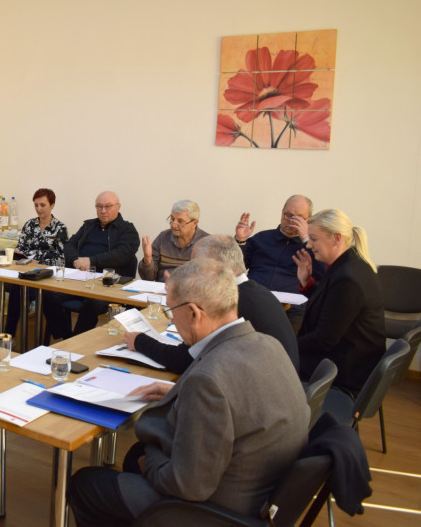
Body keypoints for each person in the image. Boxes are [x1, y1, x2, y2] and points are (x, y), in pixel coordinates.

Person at [68, 258, 309, 526]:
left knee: (87, 484)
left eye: (171, 311)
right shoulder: (268, 344)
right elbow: (239, 400)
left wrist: (152, 455)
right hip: (259, 489)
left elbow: (186, 486)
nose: (172, 319)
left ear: (194, 313)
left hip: (216, 510)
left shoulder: (208, 381)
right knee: (136, 455)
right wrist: (181, 394)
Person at [125, 234, 298, 373]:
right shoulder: (256, 291)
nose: (192, 271)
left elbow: (186, 360)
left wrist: (140, 341)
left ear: (215, 268)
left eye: (195, 266)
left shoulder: (231, 301)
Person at [293, 209, 385, 395]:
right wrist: (307, 283)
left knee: (272, 361)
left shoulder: (348, 277)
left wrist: (288, 344)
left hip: (345, 370)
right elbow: (333, 305)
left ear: (336, 238)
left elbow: (324, 340)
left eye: (313, 239)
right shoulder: (350, 263)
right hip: (346, 358)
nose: (309, 245)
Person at [43, 191, 139, 339]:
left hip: (107, 284)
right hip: (80, 279)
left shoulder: (127, 230)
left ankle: (76, 342)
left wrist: (91, 261)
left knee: (93, 302)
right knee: (48, 293)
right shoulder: (88, 226)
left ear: (118, 207)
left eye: (108, 206)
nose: (103, 211)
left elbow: (122, 254)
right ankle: (66, 338)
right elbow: (69, 245)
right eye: (99, 206)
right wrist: (76, 261)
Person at [4, 188, 69, 338]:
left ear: (52, 205)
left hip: (47, 275)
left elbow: (60, 258)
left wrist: (37, 260)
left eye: (43, 205)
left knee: (19, 289)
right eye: (36, 205)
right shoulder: (29, 224)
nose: (39, 209)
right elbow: (21, 247)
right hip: (27, 272)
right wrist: (19, 252)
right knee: (17, 287)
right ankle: (9, 335)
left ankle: (9, 334)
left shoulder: (60, 228)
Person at [235, 194, 327, 294]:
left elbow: (323, 275)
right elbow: (234, 268)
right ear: (282, 212)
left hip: (292, 301)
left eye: (299, 218)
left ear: (308, 220)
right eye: (288, 215)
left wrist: (306, 239)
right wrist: (240, 241)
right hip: (254, 296)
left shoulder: (312, 246)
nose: (292, 221)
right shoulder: (261, 238)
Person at [139, 199, 209, 282]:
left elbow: (208, 281)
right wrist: (147, 259)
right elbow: (147, 278)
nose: (174, 225)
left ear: (194, 223)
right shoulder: (163, 237)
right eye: (172, 219)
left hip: (188, 289)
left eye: (180, 221)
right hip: (162, 287)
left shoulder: (207, 243)